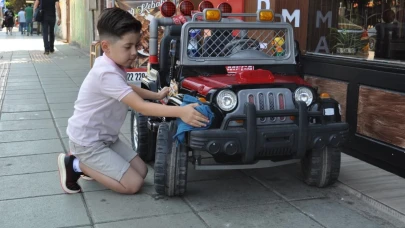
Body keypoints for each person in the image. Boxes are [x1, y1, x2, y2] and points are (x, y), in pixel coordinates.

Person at [57, 8, 209, 195]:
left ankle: (93, 166)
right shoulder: (106, 73)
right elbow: (141, 108)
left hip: (106, 138)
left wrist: (157, 96)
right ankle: (76, 164)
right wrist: (182, 112)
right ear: (106, 47)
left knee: (142, 171)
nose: (134, 52)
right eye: (128, 47)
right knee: (133, 185)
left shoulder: (111, 63)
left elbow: (126, 88)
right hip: (88, 143)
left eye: (136, 45)